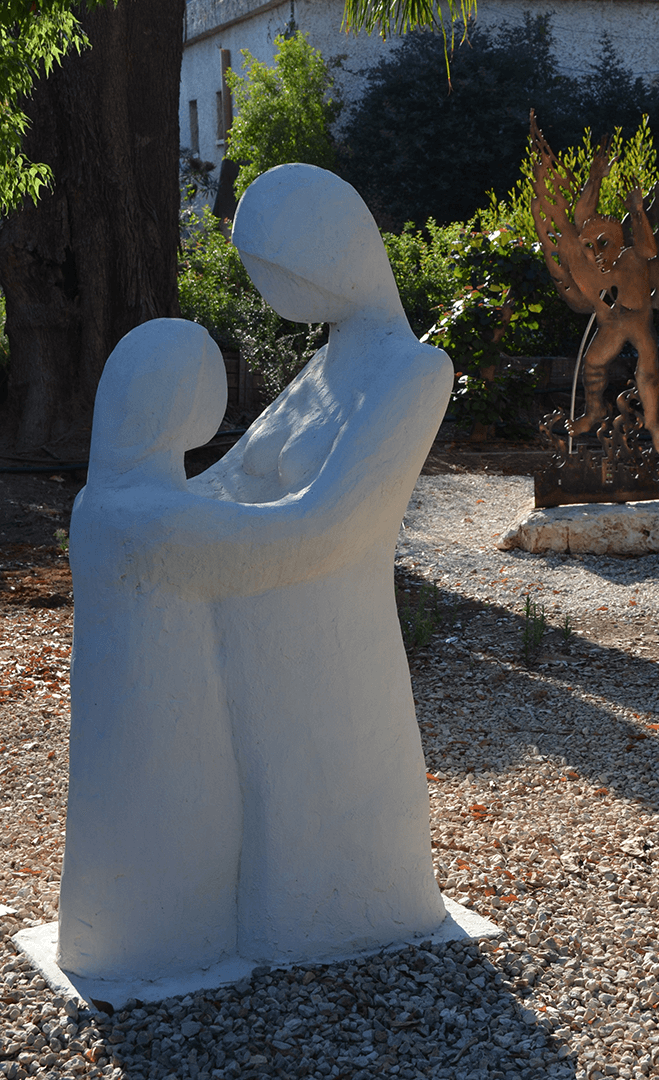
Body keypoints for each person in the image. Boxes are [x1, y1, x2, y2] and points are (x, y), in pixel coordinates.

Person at [58, 164, 453, 983]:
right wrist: (137, 501)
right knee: (258, 825)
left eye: (274, 270)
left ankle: (343, 924)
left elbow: (331, 528)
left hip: (329, 639)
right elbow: (230, 481)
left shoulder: (411, 373)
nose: (265, 290)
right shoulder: (325, 367)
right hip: (249, 627)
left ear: (325, 257)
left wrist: (172, 528)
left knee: (317, 844)